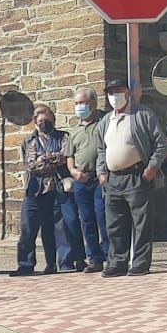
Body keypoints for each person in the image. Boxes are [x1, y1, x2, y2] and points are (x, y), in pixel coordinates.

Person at [93, 79, 167, 278]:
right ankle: (117, 262)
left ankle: (140, 263)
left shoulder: (142, 115)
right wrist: (101, 172)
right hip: (113, 180)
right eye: (111, 92)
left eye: (118, 91)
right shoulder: (105, 122)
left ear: (128, 93)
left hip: (137, 176)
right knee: (114, 224)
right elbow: (101, 149)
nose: (114, 96)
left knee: (141, 222)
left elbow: (161, 144)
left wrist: (152, 168)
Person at [14, 103, 69, 276]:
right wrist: (51, 158)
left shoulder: (63, 136)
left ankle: (61, 264)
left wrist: (44, 159)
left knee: (57, 228)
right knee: (27, 228)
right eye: (40, 120)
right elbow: (31, 164)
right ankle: (25, 264)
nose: (44, 123)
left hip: (57, 188)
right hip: (35, 190)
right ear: (35, 123)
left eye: (47, 120)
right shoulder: (29, 140)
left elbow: (63, 156)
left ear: (53, 120)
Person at [63, 86, 108, 273]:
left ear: (94, 104)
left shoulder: (104, 123)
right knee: (87, 221)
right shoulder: (74, 131)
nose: (79, 107)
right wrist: (73, 171)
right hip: (82, 180)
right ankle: (95, 259)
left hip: (100, 179)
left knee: (103, 217)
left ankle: (110, 256)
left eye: (83, 103)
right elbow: (69, 155)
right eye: (76, 103)